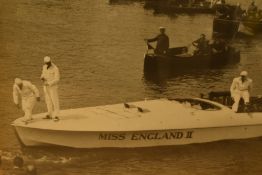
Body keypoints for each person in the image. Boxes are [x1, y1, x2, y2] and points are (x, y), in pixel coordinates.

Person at [40, 56, 60, 120]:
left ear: (50, 61)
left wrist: (49, 83)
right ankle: (49, 114)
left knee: (54, 100)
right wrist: (42, 77)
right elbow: (43, 74)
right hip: (45, 87)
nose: (48, 64)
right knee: (48, 101)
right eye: (46, 63)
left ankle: (56, 115)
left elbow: (57, 79)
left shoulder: (55, 68)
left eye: (49, 62)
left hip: (52, 87)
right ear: (45, 62)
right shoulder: (44, 67)